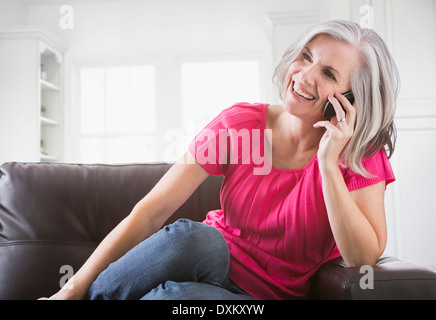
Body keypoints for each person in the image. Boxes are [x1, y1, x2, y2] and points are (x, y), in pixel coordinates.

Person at [41, 20, 399, 300]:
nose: (304, 76)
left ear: (352, 99)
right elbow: (150, 211)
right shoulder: (240, 124)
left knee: (172, 298)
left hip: (261, 298)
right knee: (194, 237)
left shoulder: (359, 154)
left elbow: (361, 259)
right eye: (306, 57)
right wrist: (69, 290)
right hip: (209, 256)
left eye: (328, 74)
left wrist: (327, 163)